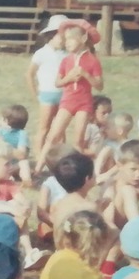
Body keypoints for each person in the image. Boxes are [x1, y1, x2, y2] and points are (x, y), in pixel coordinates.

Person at [38, 20, 103, 169]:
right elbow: (58, 83)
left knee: (78, 141)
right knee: (53, 136)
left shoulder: (93, 61)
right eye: (65, 39)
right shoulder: (66, 60)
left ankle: (79, 170)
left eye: (70, 39)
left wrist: (86, 74)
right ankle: (38, 168)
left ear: (84, 38)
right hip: (67, 101)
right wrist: (70, 78)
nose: (66, 43)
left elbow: (99, 85)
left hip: (84, 103)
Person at [25, 15, 69, 160]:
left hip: (63, 95)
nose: (63, 39)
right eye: (61, 36)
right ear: (51, 35)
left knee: (60, 127)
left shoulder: (66, 54)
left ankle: (61, 154)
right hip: (47, 94)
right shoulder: (42, 53)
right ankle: (39, 153)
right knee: (44, 127)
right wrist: (35, 94)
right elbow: (30, 74)